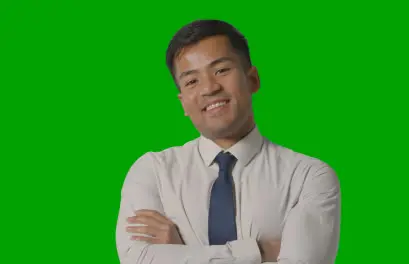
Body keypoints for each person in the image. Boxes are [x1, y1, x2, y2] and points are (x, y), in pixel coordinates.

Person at [115, 19, 341, 264]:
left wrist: (180, 250)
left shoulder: (308, 177)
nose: (209, 88)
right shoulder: (153, 172)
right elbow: (139, 259)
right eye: (192, 81)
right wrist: (257, 251)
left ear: (252, 79)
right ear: (183, 102)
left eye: (221, 70)